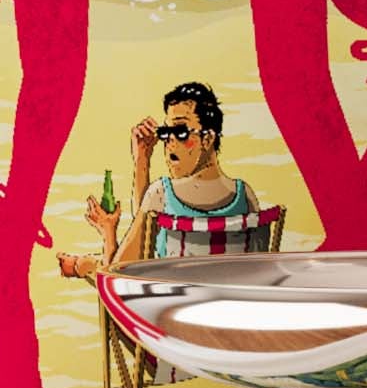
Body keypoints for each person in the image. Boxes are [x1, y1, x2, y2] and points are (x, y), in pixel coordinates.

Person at [58, 82, 266, 279]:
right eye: (166, 133)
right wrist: (142, 162)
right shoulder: (245, 195)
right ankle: (83, 264)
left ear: (208, 139)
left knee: (101, 267)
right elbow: (257, 272)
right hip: (223, 310)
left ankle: (82, 265)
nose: (170, 142)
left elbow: (119, 275)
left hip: (167, 310)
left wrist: (108, 230)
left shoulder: (161, 193)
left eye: (181, 131)